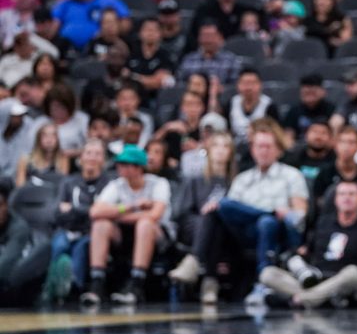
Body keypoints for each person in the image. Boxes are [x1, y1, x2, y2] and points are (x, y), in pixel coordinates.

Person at [204, 119, 308, 306]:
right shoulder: (242, 179)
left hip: (279, 232)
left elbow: (300, 218)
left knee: (267, 222)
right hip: (244, 232)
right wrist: (269, 212)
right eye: (259, 146)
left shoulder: (292, 175)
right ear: (252, 150)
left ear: (278, 149)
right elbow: (232, 210)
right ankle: (208, 277)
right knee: (223, 204)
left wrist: (287, 214)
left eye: (268, 146)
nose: (263, 151)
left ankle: (263, 280)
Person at [260, 180, 357, 308]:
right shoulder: (323, 223)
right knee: (268, 273)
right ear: (335, 199)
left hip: (343, 281)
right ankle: (318, 299)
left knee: (354, 273)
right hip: (315, 278)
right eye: (342, 194)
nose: (346, 198)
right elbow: (305, 251)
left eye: (351, 194)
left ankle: (302, 299)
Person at [81, 145, 172, 306]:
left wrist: (116, 215)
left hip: (157, 236)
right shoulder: (117, 185)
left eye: (124, 164)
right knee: (101, 224)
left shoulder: (158, 183)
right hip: (125, 235)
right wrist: (131, 207)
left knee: (145, 224)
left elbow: (155, 215)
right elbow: (94, 212)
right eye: (119, 163)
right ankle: (97, 283)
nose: (119, 167)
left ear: (138, 167)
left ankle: (136, 283)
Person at [168, 131, 235, 305]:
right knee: (209, 218)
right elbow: (183, 211)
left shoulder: (236, 181)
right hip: (194, 227)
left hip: (227, 230)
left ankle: (193, 263)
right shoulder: (196, 179)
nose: (220, 150)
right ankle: (210, 283)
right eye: (216, 145)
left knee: (215, 218)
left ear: (231, 152)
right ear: (208, 150)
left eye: (225, 146)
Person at [44, 140, 114, 303]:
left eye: (97, 154)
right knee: (59, 245)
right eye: (88, 153)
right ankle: (54, 288)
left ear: (103, 160)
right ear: (81, 158)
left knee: (81, 247)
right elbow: (57, 213)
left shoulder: (109, 183)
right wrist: (87, 210)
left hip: (92, 231)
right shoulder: (68, 182)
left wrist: (75, 209)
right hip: (68, 229)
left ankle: (75, 287)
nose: (92, 158)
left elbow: (101, 213)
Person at [282, 73, 335, 144]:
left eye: (313, 93)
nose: (310, 96)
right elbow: (288, 134)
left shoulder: (331, 110)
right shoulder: (294, 111)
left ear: (323, 92)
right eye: (306, 93)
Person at [15, 121, 69, 187]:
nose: (49, 140)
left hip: (51, 195)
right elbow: (20, 188)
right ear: (38, 139)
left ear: (58, 140)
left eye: (53, 136)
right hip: (30, 194)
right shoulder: (25, 160)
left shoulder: (62, 158)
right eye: (45, 136)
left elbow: (62, 186)